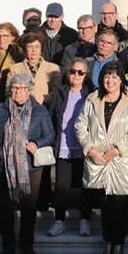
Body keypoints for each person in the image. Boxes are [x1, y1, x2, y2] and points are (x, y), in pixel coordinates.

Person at [0, 72, 55, 254]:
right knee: (4, 208)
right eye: (13, 88)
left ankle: (27, 244)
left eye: (21, 88)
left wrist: (36, 143)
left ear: (28, 90)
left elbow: (50, 135)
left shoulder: (39, 111)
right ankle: (7, 245)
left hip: (31, 167)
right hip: (3, 166)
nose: (16, 92)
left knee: (28, 208)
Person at [75, 62, 128, 254]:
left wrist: (117, 149)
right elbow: (80, 125)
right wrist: (91, 149)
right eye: (106, 77)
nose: (110, 81)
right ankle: (107, 241)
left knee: (119, 205)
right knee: (104, 205)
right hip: (98, 160)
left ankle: (118, 243)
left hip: (119, 160)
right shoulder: (92, 99)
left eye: (114, 77)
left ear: (121, 80)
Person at [44, 58, 94, 237]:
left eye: (81, 72)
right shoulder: (61, 93)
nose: (76, 75)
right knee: (61, 186)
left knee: (85, 186)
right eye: (73, 71)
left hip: (84, 146)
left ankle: (85, 220)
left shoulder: (91, 94)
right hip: (63, 145)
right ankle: (59, 220)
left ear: (86, 75)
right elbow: (51, 117)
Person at [16, 33, 62, 105]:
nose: (34, 50)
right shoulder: (15, 69)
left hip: (45, 108)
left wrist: (44, 99)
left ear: (41, 49)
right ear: (25, 49)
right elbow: (9, 91)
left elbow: (56, 92)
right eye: (30, 47)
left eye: (37, 47)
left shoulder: (53, 68)